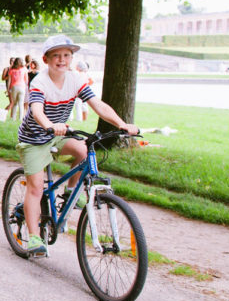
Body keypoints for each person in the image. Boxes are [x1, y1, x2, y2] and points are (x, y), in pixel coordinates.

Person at [16, 35, 138, 257]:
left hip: (59, 132)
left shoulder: (75, 79)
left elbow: (97, 104)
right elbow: (36, 111)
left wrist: (122, 124)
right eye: (56, 56)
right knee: (36, 188)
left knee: (83, 150)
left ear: (71, 58)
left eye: (66, 55)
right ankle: (34, 238)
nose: (62, 60)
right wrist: (50, 125)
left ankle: (70, 191)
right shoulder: (39, 82)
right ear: (46, 59)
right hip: (34, 138)